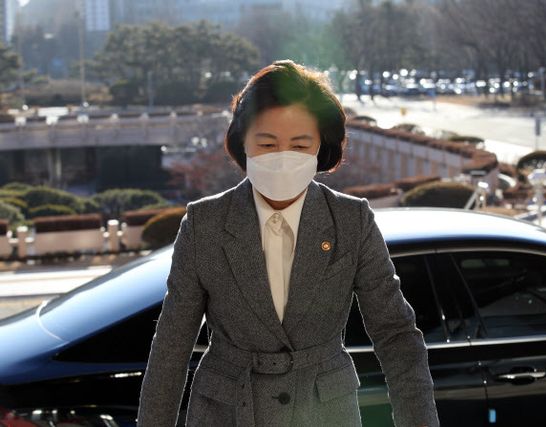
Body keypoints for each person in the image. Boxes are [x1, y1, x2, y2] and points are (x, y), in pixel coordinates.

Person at [137, 60, 440, 427]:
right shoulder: (205, 224)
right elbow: (171, 344)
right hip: (226, 412)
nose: (283, 159)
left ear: (320, 147)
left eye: (299, 145)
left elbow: (396, 335)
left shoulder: (351, 220)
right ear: (242, 142)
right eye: (267, 144)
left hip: (325, 412)